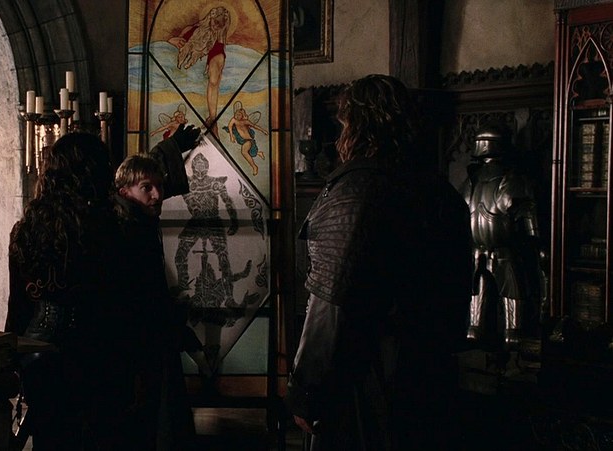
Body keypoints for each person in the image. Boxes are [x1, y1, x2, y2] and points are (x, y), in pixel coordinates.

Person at [285, 74, 472, 450]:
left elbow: (330, 305)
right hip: (430, 379)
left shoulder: (356, 192)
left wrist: (306, 390)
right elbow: (456, 306)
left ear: (356, 125)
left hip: (365, 386)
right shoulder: (442, 193)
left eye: (344, 124)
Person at [6, 125, 201, 450]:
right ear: (95, 174)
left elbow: (19, 306)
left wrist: (12, 362)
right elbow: (134, 306)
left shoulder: (26, 231)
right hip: (102, 359)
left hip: (41, 358)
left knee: (54, 441)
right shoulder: (115, 228)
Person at [113, 153, 199, 450]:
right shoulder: (130, 231)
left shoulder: (139, 222)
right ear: (125, 192)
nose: (157, 195)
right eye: (147, 188)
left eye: (159, 186)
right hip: (143, 345)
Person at [462, 124, 545, 348]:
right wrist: (538, 244)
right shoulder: (505, 180)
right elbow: (529, 221)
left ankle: (494, 330)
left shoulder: (473, 180)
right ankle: (504, 331)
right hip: (492, 252)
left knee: (487, 319)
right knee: (497, 310)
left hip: (488, 252)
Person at [169, 6, 230, 136]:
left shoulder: (219, 38)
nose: (216, 26)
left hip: (216, 50)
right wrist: (175, 41)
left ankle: (213, 120)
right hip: (192, 52)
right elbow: (175, 42)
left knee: (214, 80)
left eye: (220, 25)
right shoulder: (191, 30)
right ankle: (212, 121)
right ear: (210, 18)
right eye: (215, 22)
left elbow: (221, 43)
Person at [223, 102, 267, 175]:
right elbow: (230, 126)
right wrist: (231, 135)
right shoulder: (234, 120)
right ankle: (259, 153)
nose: (237, 116)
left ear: (242, 116)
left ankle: (254, 167)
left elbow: (255, 126)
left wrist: (263, 130)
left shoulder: (245, 122)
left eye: (239, 115)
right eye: (236, 114)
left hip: (248, 141)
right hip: (242, 140)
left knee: (244, 152)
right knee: (250, 153)